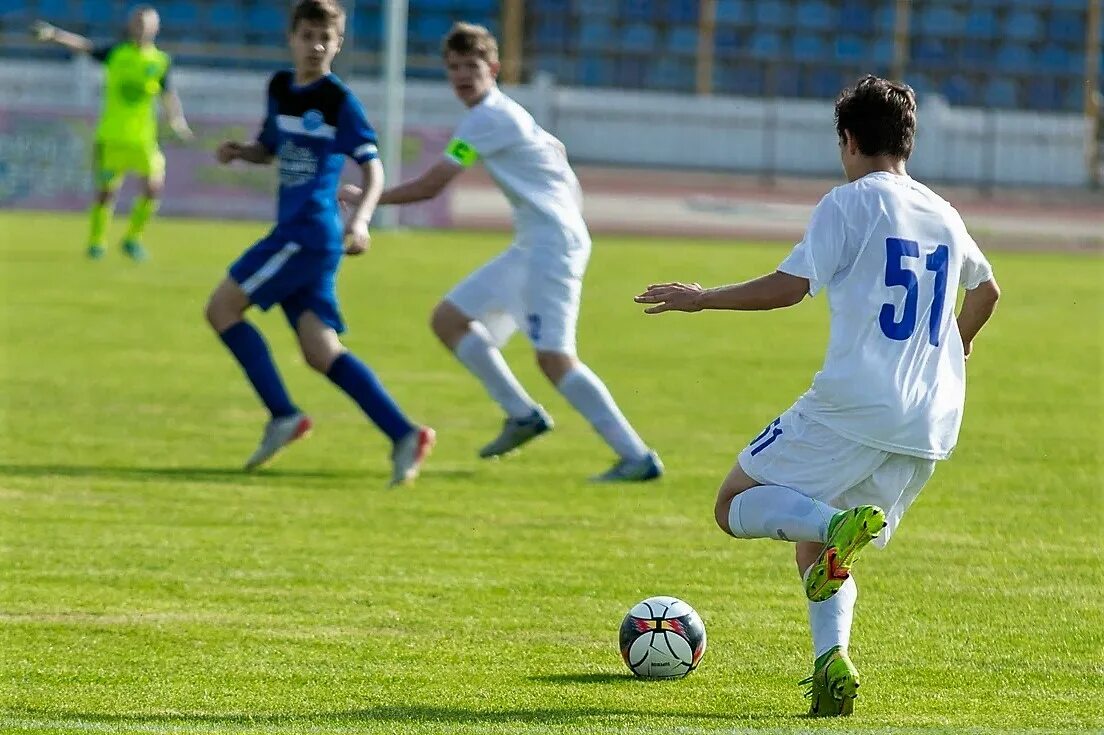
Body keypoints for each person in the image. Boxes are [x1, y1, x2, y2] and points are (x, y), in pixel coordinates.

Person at [635, 75, 1000, 716]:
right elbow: (988, 291)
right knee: (818, 547)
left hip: (854, 406)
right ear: (907, 142)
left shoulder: (850, 202)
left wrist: (702, 298)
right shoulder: (944, 212)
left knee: (733, 505)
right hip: (931, 421)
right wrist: (957, 344)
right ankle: (831, 660)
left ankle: (834, 525)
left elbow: (791, 285)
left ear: (849, 139)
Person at [340, 22, 662, 482]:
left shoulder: (487, 119)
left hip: (550, 246)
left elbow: (432, 186)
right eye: (453, 68)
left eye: (471, 66)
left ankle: (636, 456)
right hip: (536, 242)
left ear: (492, 68)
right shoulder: (503, 115)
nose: (461, 76)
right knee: (448, 320)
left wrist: (366, 199)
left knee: (555, 359)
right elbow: (558, 155)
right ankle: (521, 414)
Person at [205, 0, 434, 485]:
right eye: (308, 35)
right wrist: (242, 152)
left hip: (307, 233)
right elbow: (271, 148)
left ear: (339, 43)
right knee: (320, 350)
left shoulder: (338, 100)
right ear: (291, 37)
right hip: (303, 235)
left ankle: (283, 415)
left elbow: (372, 167)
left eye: (326, 38)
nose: (316, 46)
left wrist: (363, 220)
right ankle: (404, 433)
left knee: (222, 309)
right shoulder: (280, 88)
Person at [33, 6, 192, 261]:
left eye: (147, 23)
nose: (142, 27)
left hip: (143, 138)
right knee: (107, 192)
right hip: (112, 136)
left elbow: (168, 94)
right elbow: (85, 46)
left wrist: (177, 121)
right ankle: (96, 243)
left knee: (153, 187)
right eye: (138, 22)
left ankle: (132, 239)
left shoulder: (160, 61)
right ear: (131, 26)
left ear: (156, 28)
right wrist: (55, 35)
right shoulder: (116, 53)